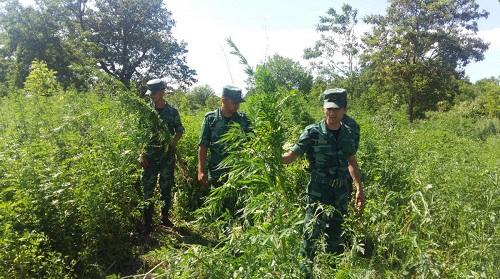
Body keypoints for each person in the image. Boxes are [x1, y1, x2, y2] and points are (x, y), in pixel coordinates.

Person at [282, 88, 364, 273]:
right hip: (318, 194)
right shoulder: (312, 132)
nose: (332, 113)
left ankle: (332, 272)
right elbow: (290, 157)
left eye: (336, 109)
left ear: (345, 110)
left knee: (336, 239)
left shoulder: (349, 133)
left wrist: (359, 187)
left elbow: (351, 161)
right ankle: (306, 274)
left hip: (341, 195)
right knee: (310, 237)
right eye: (328, 109)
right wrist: (270, 155)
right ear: (323, 109)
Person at [139, 79, 184, 233]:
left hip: (167, 158)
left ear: (162, 93)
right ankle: (147, 223)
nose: (151, 97)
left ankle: (165, 219)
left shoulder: (172, 112)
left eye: (153, 94)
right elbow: (140, 134)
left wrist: (173, 142)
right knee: (147, 190)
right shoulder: (146, 111)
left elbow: (179, 130)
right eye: (150, 95)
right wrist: (141, 154)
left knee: (166, 188)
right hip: (149, 157)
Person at [197, 85, 251, 189]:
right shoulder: (211, 119)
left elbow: (252, 143)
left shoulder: (244, 120)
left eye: (238, 103)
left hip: (239, 173)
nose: (237, 106)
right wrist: (200, 171)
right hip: (217, 174)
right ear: (223, 100)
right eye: (234, 102)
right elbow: (203, 146)